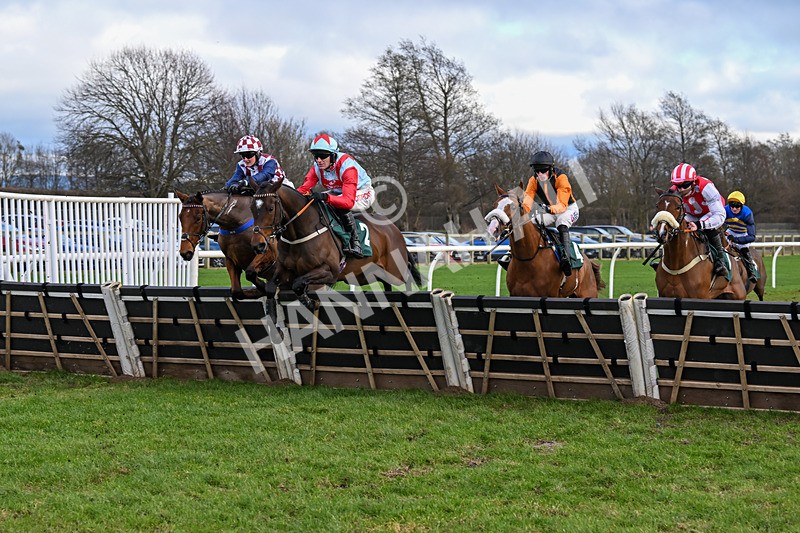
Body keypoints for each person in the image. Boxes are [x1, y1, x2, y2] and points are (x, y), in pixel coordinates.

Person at [297, 133, 375, 258]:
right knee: (313, 201)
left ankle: (355, 242)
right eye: (315, 156)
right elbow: (303, 189)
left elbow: (347, 202)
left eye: (322, 156)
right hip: (339, 192)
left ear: (333, 155)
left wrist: (326, 198)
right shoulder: (317, 167)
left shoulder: (347, 167)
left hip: (362, 192)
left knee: (336, 203)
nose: (318, 160)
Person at [522, 150, 580, 275]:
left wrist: (548, 209)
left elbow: (562, 205)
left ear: (551, 168)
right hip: (551, 209)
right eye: (537, 171)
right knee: (531, 223)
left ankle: (566, 258)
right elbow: (527, 200)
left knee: (561, 222)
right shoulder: (534, 180)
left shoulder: (561, 177)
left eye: (543, 170)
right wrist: (522, 217)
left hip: (569, 208)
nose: (540, 174)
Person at [669, 163, 728, 277]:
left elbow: (720, 215)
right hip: (691, 213)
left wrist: (700, 225)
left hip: (711, 212)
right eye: (677, 185)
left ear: (693, 182)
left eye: (684, 185)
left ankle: (720, 262)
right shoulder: (673, 191)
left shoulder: (706, 188)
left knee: (709, 229)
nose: (680, 189)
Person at [724, 190, 758, 283]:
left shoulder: (747, 213)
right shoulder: (725, 210)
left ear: (742, 205)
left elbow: (752, 237)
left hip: (743, 233)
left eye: (737, 206)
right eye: (732, 206)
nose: (734, 209)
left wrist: (736, 240)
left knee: (744, 250)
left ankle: (752, 272)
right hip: (730, 231)